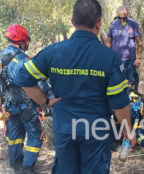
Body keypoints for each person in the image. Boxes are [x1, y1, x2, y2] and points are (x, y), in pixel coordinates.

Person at [13, 0, 136, 173]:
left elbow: (22, 77)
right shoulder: (110, 58)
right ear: (99, 24)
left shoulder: (53, 52)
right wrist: (128, 130)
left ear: (72, 21)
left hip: (64, 128)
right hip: (96, 130)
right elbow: (119, 103)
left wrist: (45, 101)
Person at [0, 24, 42, 174]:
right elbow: (37, 82)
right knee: (36, 136)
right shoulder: (24, 59)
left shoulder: (0, 56)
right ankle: (27, 168)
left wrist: (3, 104)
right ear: (21, 42)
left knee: (14, 137)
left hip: (8, 106)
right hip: (26, 107)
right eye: (26, 41)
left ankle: (16, 164)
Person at [106, 6, 143, 92]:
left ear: (127, 15)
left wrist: (139, 57)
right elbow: (109, 41)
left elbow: (139, 41)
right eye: (120, 17)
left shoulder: (133, 24)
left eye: (124, 17)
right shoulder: (113, 24)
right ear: (117, 15)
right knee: (118, 81)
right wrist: (107, 56)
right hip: (116, 60)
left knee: (131, 82)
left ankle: (132, 101)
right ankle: (121, 102)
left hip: (130, 60)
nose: (122, 19)